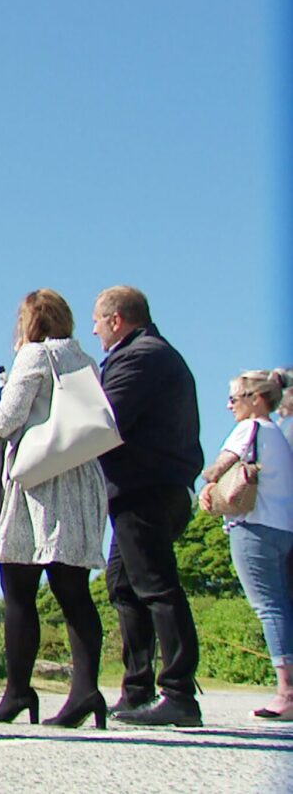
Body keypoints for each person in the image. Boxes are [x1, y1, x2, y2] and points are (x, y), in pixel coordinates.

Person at [0, 290, 109, 729]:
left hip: (40, 480)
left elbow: (6, 418)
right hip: (81, 477)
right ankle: (87, 690)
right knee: (74, 590)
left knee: (18, 587)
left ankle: (17, 691)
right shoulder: (86, 360)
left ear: (29, 322)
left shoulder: (33, 357)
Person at [90, 286, 204, 727]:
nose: (95, 330)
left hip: (147, 488)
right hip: (149, 486)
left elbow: (105, 419)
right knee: (123, 584)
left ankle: (178, 692)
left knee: (156, 585)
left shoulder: (140, 356)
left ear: (116, 319)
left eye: (98, 321)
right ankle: (136, 688)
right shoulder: (154, 353)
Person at [199, 370, 293, 719]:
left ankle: (286, 692)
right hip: (284, 527)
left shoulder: (249, 428)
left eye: (235, 399)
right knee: (282, 604)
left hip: (253, 527)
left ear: (256, 399)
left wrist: (210, 482)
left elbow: (217, 469)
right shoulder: (279, 434)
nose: (228, 406)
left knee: (268, 607)